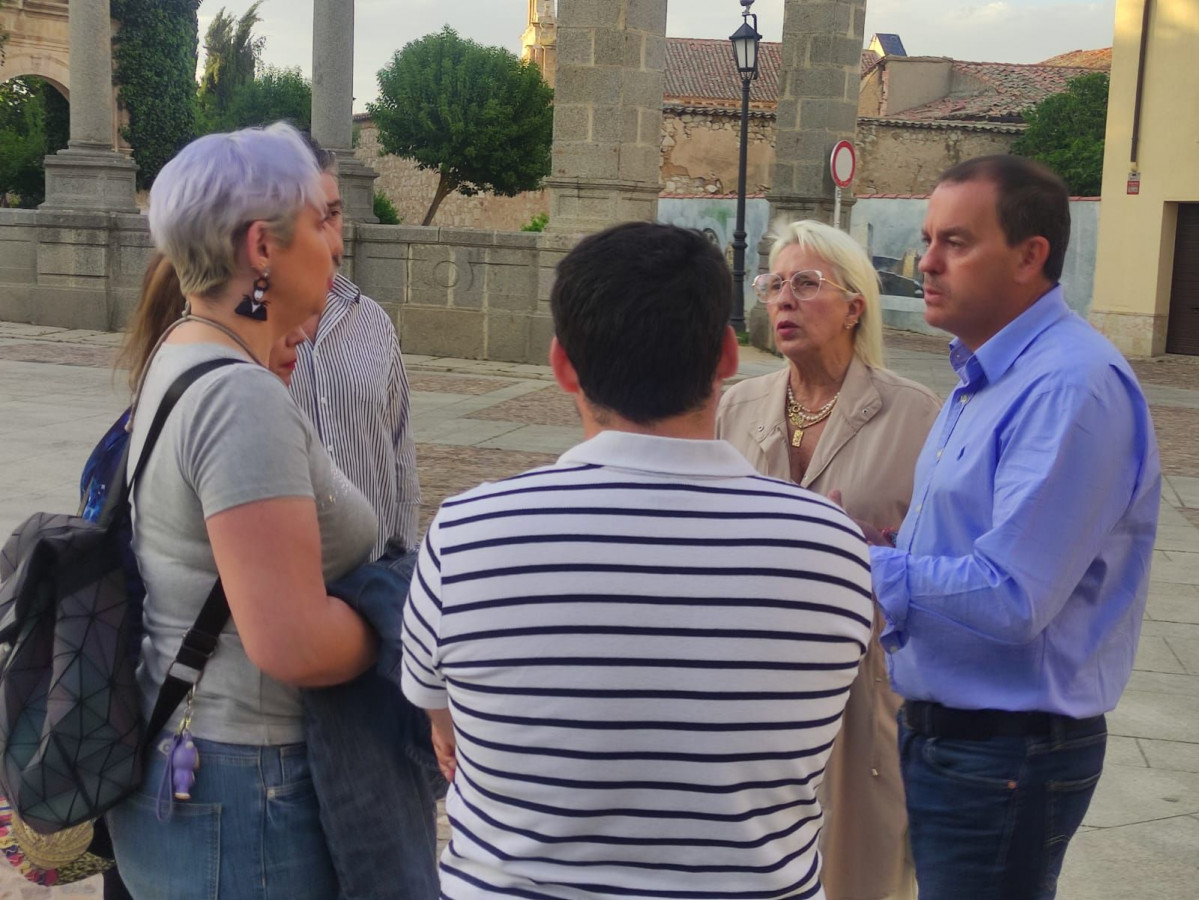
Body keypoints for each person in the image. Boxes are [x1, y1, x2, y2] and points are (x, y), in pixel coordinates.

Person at [402, 221, 874, 899]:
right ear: (726, 355)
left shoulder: (468, 533)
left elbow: (441, 724)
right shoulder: (831, 546)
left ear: (562, 364)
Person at [864, 155, 1161, 900]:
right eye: (927, 238)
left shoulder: (1069, 385)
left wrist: (858, 563)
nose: (924, 261)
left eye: (955, 243)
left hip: (1005, 754)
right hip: (952, 739)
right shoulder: (982, 379)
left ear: (1031, 256)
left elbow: (1011, 596)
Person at [106, 123, 380, 900]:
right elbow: (290, 642)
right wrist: (401, 620)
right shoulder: (237, 395)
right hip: (240, 791)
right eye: (319, 225)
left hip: (200, 778)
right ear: (262, 247)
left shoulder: (183, 353)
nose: (334, 245)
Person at [716, 219, 939, 900]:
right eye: (773, 284)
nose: (782, 299)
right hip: (749, 685)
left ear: (853, 305)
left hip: (862, 686)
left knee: (860, 873)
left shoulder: (914, 414)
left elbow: (940, 561)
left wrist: (866, 555)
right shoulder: (737, 405)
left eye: (805, 284)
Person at [289, 136, 420, 563]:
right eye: (314, 220)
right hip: (288, 581)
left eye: (335, 214)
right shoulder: (247, 338)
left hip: (373, 575)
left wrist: (399, 559)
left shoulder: (371, 321)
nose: (332, 240)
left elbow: (399, 448)